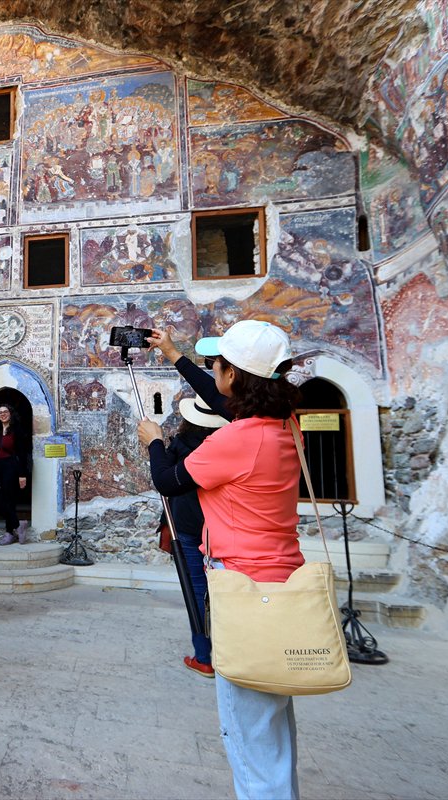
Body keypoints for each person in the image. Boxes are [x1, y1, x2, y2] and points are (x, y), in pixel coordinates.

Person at [136, 319, 305, 800]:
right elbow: (221, 400)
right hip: (281, 581)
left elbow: (169, 481)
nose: (214, 372)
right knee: (272, 723)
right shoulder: (282, 426)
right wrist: (173, 353)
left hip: (243, 590)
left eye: (217, 365)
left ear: (234, 374)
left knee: (247, 729)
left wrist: (153, 439)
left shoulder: (237, 440)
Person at [142, 397, 227, 677]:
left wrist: (155, 444)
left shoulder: (180, 445)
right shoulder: (228, 445)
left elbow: (163, 476)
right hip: (221, 529)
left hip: (187, 528)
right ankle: (233, 651)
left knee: (196, 592)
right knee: (227, 591)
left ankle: (203, 656)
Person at [0, 404, 31, 545]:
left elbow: (22, 454)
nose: (3, 414)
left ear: (10, 413)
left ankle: (9, 533)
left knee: (8, 500)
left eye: (5, 411)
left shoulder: (17, 430)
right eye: (0, 412)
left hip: (11, 467)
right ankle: (18, 524)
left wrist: (22, 475)